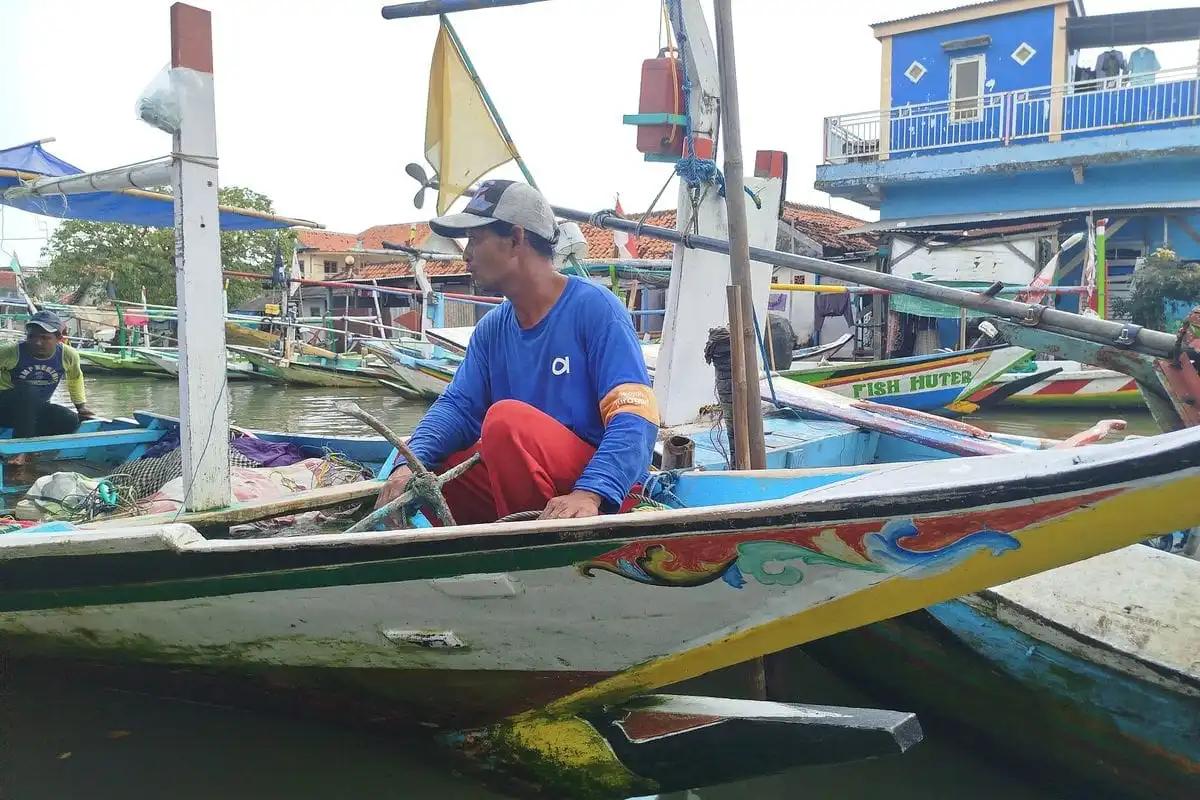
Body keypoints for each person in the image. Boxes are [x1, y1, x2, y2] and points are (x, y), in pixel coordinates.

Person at [374, 180, 658, 524]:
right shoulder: (492, 329)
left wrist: (591, 492)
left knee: (505, 422)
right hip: (532, 491)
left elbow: (635, 417)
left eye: (475, 241)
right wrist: (407, 465)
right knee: (433, 468)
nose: (466, 255)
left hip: (602, 493)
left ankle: (532, 546)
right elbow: (458, 408)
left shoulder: (596, 309)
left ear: (515, 239)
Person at [0, 310, 94, 464]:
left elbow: (75, 378)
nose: (37, 342)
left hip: (32, 411)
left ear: (59, 338)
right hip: (5, 408)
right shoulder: (10, 352)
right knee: (28, 391)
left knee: (70, 420)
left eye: (44, 338)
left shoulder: (68, 355)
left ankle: (34, 446)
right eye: (32, 336)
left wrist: (80, 407)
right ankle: (20, 450)